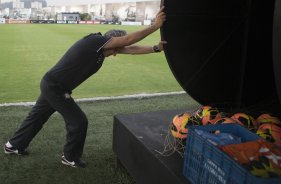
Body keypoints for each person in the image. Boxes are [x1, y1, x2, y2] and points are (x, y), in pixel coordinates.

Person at [4, 7, 166, 168]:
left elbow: (130, 49)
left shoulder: (102, 51)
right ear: (110, 41)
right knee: (79, 121)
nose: (116, 53)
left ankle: (13, 145)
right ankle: (70, 157)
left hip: (54, 85)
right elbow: (128, 41)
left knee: (37, 117)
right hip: (55, 87)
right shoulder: (95, 41)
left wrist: (156, 48)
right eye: (116, 48)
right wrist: (155, 26)